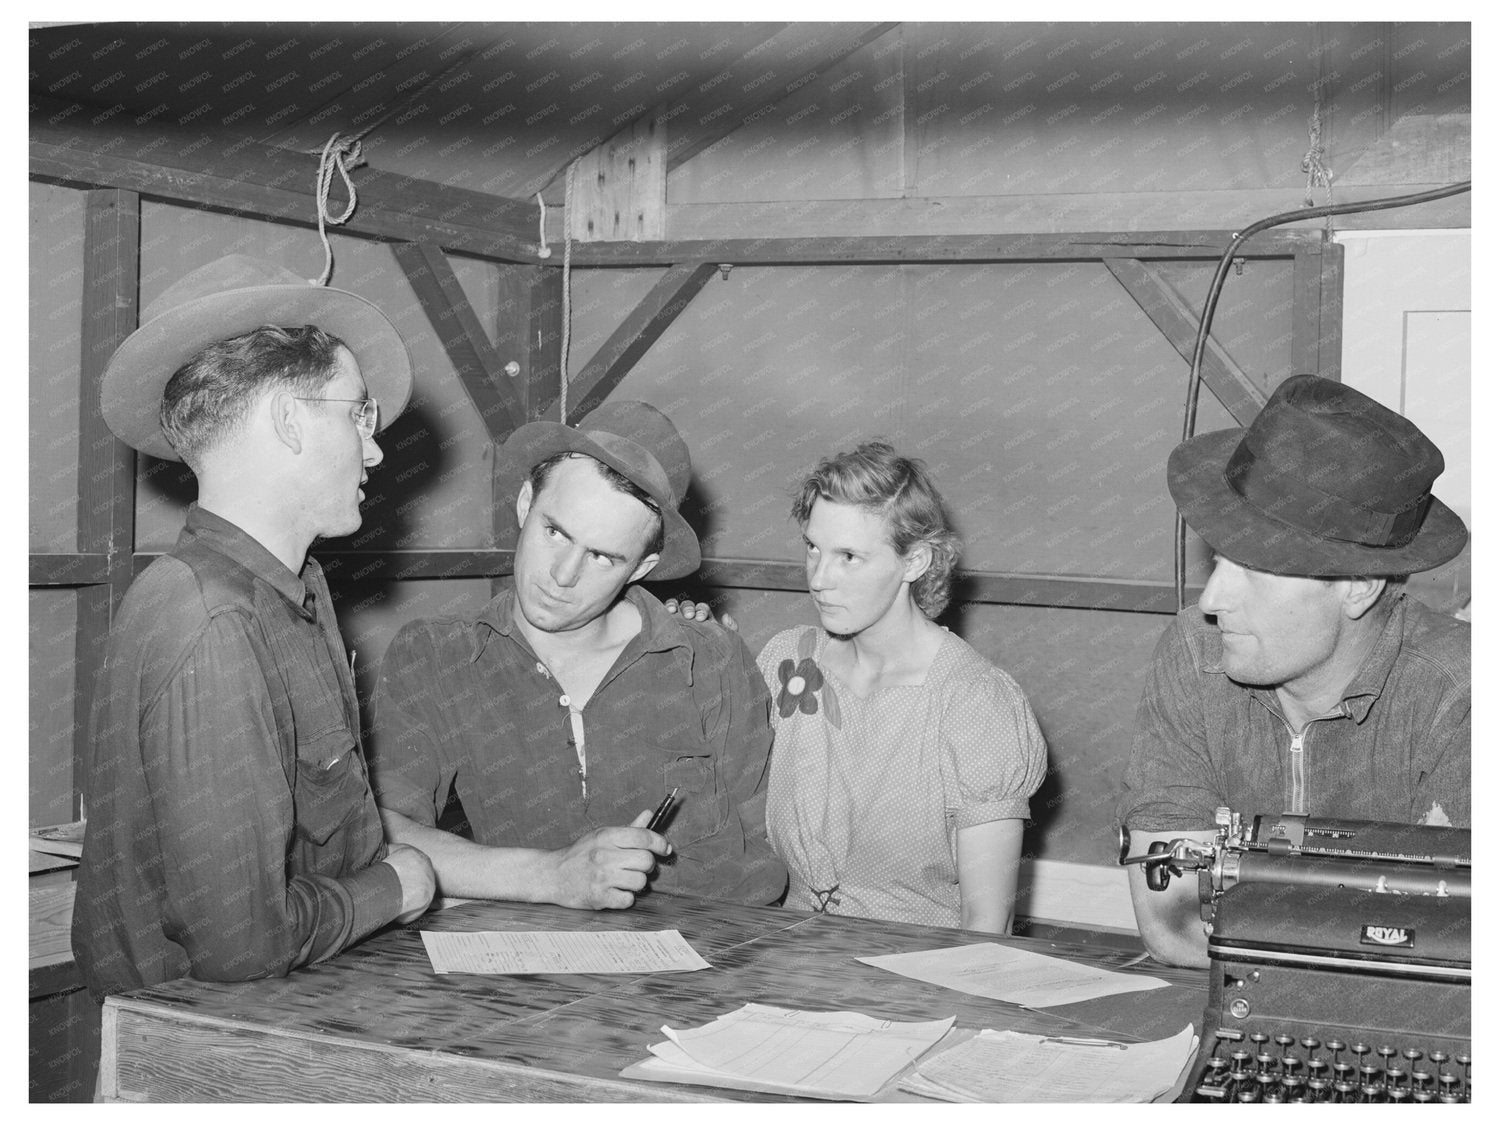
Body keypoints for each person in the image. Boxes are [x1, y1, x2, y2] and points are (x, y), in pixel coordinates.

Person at [73, 255, 436, 1000]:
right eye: (357, 413)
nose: (372, 448)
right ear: (287, 419)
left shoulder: (288, 591)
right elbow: (240, 942)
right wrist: (397, 886)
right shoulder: (211, 618)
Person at [370, 401, 787, 909]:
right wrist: (550, 876)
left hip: (702, 963)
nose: (562, 575)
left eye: (603, 557)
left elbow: (763, 859)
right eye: (555, 532)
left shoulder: (712, 661)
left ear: (642, 567)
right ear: (525, 503)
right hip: (526, 965)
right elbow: (385, 833)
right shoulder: (436, 656)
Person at [1117, 374, 1470, 967]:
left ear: (1358, 585)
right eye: (1219, 559)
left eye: (1255, 566)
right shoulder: (1193, 650)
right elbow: (1173, 922)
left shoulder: (1461, 697)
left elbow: (1457, 950)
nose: (1211, 601)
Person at [754, 441, 1048, 931]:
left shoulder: (976, 702)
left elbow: (986, 924)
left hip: (921, 977)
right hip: (789, 963)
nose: (820, 579)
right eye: (813, 547)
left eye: (849, 556)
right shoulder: (786, 662)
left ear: (914, 563)